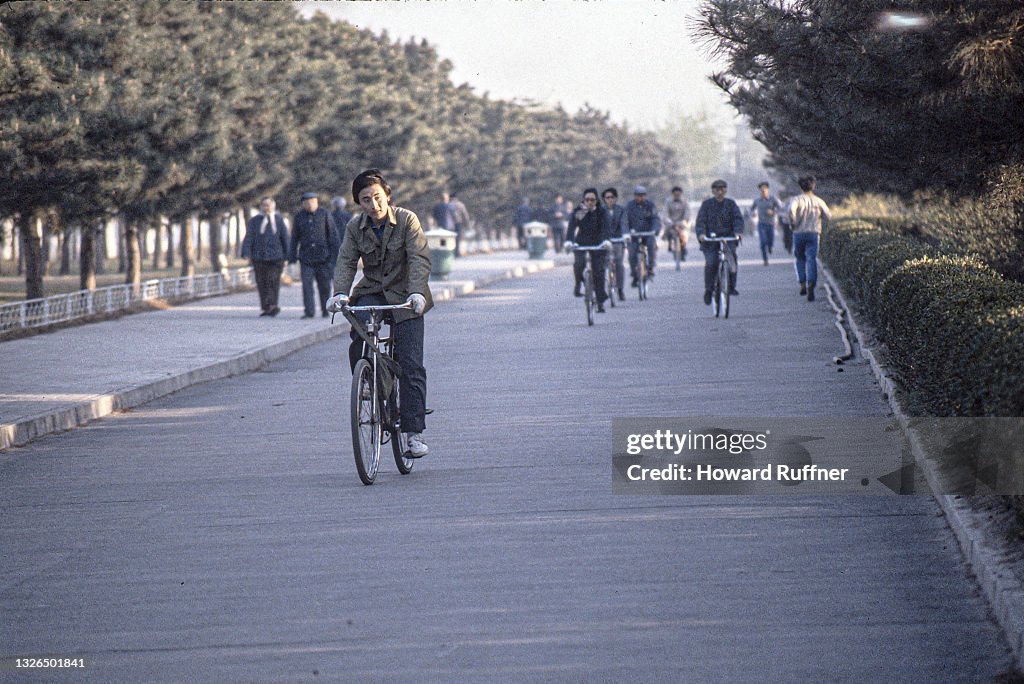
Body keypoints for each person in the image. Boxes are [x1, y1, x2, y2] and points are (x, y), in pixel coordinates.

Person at [326, 169, 433, 458]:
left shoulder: (407, 220)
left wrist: (417, 293)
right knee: (359, 332)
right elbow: (346, 261)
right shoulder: (355, 227)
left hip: (406, 295)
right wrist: (339, 293)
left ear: (387, 195)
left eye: (377, 197)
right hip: (372, 290)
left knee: (410, 363)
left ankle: (414, 434)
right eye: (365, 200)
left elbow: (419, 258)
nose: (373, 205)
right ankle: (367, 382)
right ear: (358, 203)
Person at [289, 191, 340, 319]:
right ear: (303, 204)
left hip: (324, 258)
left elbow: (333, 236)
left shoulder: (324, 214)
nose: (310, 204)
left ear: (317, 202)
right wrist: (292, 258)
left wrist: (334, 257)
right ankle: (309, 311)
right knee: (307, 286)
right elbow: (294, 238)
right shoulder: (299, 217)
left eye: (312, 202)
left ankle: (325, 310)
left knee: (324, 286)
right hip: (306, 258)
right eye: (307, 202)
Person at [695, 179, 744, 305]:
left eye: (722, 189)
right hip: (710, 241)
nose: (720, 192)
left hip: (728, 239)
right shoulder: (706, 205)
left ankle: (731, 286)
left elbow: (738, 219)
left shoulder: (731, 204)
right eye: (717, 189)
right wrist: (701, 234)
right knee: (711, 263)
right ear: (713, 191)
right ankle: (709, 289)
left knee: (732, 260)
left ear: (726, 190)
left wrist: (738, 232)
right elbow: (700, 221)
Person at [564, 188, 612, 312]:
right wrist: (569, 241)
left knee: (599, 271)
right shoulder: (580, 211)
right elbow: (572, 227)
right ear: (583, 200)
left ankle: (600, 302)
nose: (590, 202)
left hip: (599, 243)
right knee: (579, 264)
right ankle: (579, 283)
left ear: (597, 200)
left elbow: (606, 227)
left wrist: (606, 241)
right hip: (581, 242)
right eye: (587, 200)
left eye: (592, 200)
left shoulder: (601, 211)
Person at [240, 196, 289, 317]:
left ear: (273, 206)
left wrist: (289, 254)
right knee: (262, 283)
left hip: (276, 257)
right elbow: (249, 237)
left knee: (273, 281)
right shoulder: (254, 221)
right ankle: (266, 307)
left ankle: (273, 305)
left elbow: (285, 238)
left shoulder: (279, 220)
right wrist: (246, 252)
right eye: (264, 205)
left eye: (268, 205)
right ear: (261, 207)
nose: (266, 207)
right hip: (259, 257)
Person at [788, 175, 832, 302]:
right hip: (813, 233)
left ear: (800, 187)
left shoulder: (796, 200)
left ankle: (802, 282)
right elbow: (828, 216)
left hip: (799, 233)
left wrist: (793, 223)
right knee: (812, 259)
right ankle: (811, 283)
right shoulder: (819, 201)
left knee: (800, 258)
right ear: (813, 186)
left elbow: (791, 211)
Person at [623, 185, 661, 286]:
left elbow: (655, 219)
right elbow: (625, 220)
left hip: (647, 233)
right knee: (632, 253)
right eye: (638, 195)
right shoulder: (629, 206)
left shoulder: (650, 205)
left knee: (651, 245)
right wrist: (626, 232)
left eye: (643, 195)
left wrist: (655, 230)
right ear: (634, 196)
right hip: (633, 234)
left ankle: (651, 267)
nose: (641, 197)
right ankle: (634, 273)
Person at [602, 187, 627, 301]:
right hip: (605, 240)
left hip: (618, 240)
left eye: (612, 197)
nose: (610, 200)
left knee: (619, 264)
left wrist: (625, 235)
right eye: (607, 198)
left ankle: (620, 289)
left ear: (616, 198)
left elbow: (624, 223)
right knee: (601, 264)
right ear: (604, 199)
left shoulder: (621, 210)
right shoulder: (600, 210)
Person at [751, 181, 784, 265]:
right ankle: (765, 259)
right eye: (761, 189)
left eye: (765, 189)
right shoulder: (757, 200)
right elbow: (751, 209)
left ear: (767, 189)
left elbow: (781, 208)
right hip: (761, 224)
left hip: (771, 224)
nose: (763, 190)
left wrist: (773, 212)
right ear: (760, 190)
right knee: (762, 242)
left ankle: (770, 247)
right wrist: (753, 213)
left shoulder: (773, 199)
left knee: (770, 241)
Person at [662, 186, 691, 266]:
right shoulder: (668, 201)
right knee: (667, 232)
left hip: (682, 223)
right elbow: (665, 212)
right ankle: (669, 243)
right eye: (675, 194)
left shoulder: (685, 201)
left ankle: (683, 248)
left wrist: (684, 220)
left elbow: (687, 212)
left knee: (684, 235)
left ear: (681, 194)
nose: (677, 196)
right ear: (673, 194)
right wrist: (667, 220)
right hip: (671, 222)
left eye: (678, 194)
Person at [449, 192, 472, 257]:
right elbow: (465, 215)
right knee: (458, 238)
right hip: (458, 223)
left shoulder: (448, 205)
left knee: (450, 238)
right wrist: (467, 223)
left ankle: (451, 252)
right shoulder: (461, 204)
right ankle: (457, 253)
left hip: (450, 224)